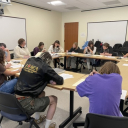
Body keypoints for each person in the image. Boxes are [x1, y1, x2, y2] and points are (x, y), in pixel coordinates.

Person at [14, 52, 64, 128]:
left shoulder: (30, 60)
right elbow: (60, 80)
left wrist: (47, 79)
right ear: (48, 62)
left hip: (15, 100)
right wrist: (49, 79)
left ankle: (37, 119)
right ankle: (47, 126)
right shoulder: (45, 66)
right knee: (54, 99)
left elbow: (36, 75)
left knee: (42, 93)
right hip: (26, 103)